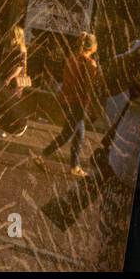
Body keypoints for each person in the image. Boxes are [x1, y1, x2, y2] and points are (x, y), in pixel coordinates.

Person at [42, 31, 105, 177]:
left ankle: (75, 166)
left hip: (66, 100)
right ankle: (43, 155)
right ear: (93, 47)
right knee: (68, 134)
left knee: (79, 134)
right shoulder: (90, 64)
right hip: (78, 103)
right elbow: (88, 88)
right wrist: (89, 107)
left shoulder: (71, 59)